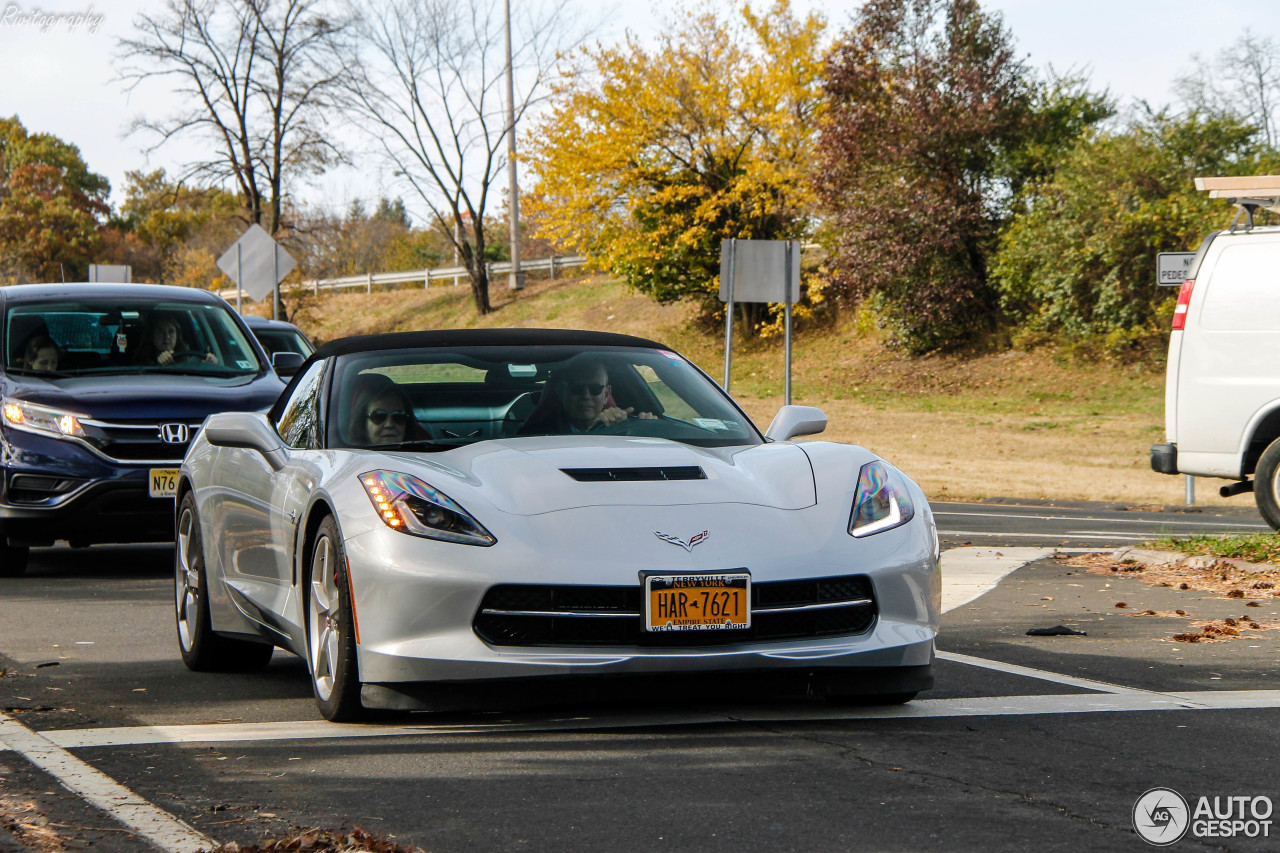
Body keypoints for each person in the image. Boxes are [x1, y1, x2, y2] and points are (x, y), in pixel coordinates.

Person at [520, 355, 654, 434]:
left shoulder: (627, 426)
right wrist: (593, 431)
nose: (586, 395)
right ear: (561, 392)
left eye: (595, 389)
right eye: (577, 389)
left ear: (606, 394)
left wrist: (647, 429)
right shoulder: (535, 433)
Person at [348, 375, 418, 446]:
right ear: (363, 424)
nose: (389, 424)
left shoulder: (423, 450)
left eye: (398, 416)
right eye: (379, 416)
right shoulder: (350, 454)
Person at [134, 312, 216, 366]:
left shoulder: (191, 361)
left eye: (171, 332)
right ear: (152, 336)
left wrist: (211, 363)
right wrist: (157, 365)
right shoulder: (141, 364)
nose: (167, 336)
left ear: (177, 335)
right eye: (161, 331)